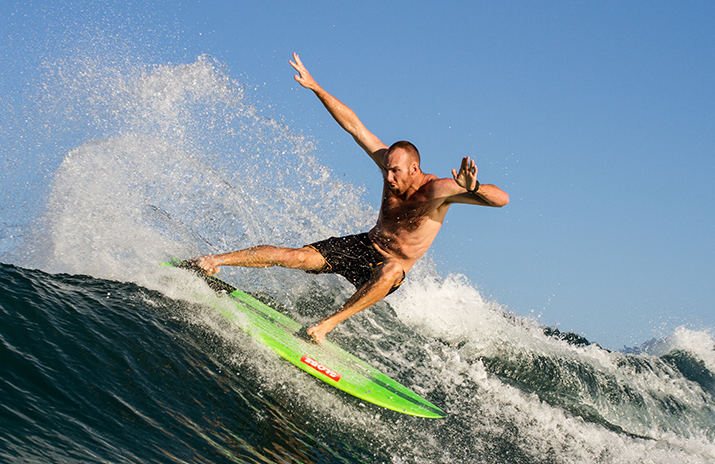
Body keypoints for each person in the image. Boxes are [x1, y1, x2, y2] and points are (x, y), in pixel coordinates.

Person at [188, 53, 509, 344]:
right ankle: (213, 261)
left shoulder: (438, 190)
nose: (388, 177)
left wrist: (474, 187)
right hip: (364, 246)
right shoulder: (389, 165)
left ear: (415, 168)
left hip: (388, 265)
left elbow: (501, 199)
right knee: (296, 257)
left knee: (392, 271)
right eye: (386, 169)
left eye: (395, 171)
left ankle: (324, 327)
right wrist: (316, 88)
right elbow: (355, 127)